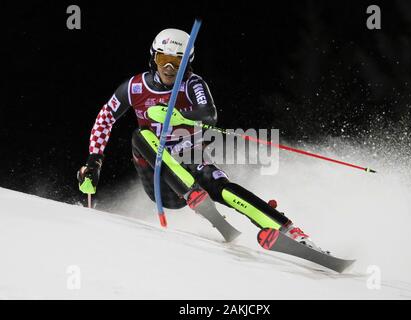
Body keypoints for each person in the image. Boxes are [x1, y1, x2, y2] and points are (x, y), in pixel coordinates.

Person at [77, 28, 313, 246]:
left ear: (187, 63)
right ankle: (191, 191)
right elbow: (105, 117)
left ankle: (286, 229)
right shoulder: (134, 87)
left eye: (177, 62)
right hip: (159, 178)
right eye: (162, 59)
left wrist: (179, 116)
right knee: (141, 135)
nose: (169, 67)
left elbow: (209, 114)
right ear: (153, 58)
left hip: (189, 157)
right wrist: (94, 160)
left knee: (222, 186)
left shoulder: (193, 83)